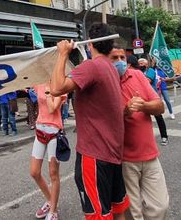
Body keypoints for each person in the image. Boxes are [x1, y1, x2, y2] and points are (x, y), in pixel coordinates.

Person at [50, 23, 129, 220]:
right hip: (112, 153)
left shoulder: (92, 66)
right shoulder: (110, 68)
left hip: (95, 155)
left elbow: (57, 88)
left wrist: (62, 54)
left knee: (99, 215)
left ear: (90, 44)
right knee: (117, 211)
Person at [113, 51, 169, 220]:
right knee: (133, 211)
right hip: (125, 159)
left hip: (150, 155)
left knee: (160, 207)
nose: (120, 61)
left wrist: (143, 106)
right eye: (114, 58)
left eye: (122, 57)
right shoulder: (106, 84)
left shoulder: (137, 75)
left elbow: (160, 106)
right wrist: (125, 112)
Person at [30, 82, 67, 220]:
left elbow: (52, 108)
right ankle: (51, 201)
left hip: (55, 133)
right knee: (34, 172)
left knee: (53, 174)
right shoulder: (38, 83)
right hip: (40, 130)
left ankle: (53, 211)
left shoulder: (60, 85)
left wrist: (47, 93)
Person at [140, 59, 169, 145]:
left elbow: (147, 81)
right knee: (141, 118)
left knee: (158, 117)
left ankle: (164, 136)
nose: (140, 65)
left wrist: (138, 76)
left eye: (141, 63)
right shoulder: (138, 72)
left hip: (152, 98)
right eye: (139, 63)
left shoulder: (150, 70)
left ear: (146, 64)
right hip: (142, 98)